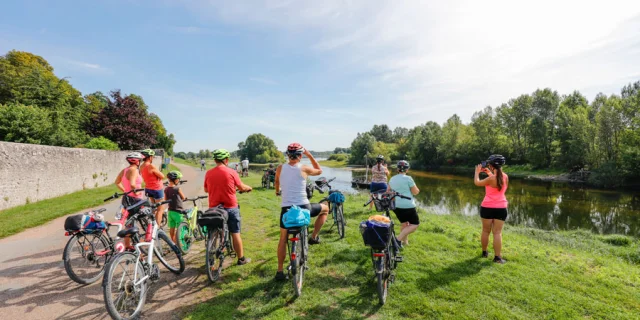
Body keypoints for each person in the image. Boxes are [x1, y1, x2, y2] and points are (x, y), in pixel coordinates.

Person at [274, 143, 329, 281]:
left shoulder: (280, 168)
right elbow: (319, 170)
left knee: (282, 239)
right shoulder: (303, 168)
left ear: (288, 155)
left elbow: (276, 181)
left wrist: (277, 191)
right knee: (325, 209)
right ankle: (314, 237)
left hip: (287, 209)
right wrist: (309, 155)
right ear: (300, 155)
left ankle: (279, 271)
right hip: (304, 207)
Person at [204, 148, 253, 266]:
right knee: (235, 232)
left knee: (214, 232)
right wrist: (249, 188)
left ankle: (210, 255)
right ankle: (241, 259)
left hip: (215, 208)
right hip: (230, 207)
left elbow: (206, 189)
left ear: (215, 160)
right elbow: (241, 187)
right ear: (226, 160)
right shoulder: (232, 172)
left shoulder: (209, 173)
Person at [474, 154, 509, 264]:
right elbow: (496, 180)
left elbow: (477, 182)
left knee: (485, 231)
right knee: (497, 233)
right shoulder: (505, 177)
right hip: (501, 208)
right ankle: (497, 258)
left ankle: (484, 252)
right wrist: (489, 172)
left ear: (491, 165)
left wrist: (477, 172)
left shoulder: (490, 179)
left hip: (487, 207)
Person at [114, 152, 144, 249]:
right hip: (135, 199)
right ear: (138, 161)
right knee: (137, 219)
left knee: (129, 221)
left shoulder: (125, 170)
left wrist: (125, 191)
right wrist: (136, 193)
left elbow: (117, 182)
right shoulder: (134, 170)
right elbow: (132, 184)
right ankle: (136, 244)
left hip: (127, 198)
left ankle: (128, 245)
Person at [387, 160, 420, 246]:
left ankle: (405, 242)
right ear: (407, 170)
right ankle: (397, 240)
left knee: (405, 224)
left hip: (396, 206)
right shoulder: (408, 178)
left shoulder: (392, 179)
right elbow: (415, 192)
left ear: (397, 169)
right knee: (414, 225)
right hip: (408, 206)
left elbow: (388, 191)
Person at [140, 149, 166, 224]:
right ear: (149, 157)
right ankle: (157, 228)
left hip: (148, 188)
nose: (153, 158)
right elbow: (162, 176)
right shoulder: (150, 165)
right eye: (152, 156)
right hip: (156, 189)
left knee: (154, 206)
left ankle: (152, 222)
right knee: (160, 209)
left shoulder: (141, 166)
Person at [165, 171, 187, 244]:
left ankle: (173, 241)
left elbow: (165, 199)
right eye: (178, 179)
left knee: (172, 227)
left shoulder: (166, 189)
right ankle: (180, 242)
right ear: (176, 180)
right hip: (178, 211)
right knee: (180, 227)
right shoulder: (177, 188)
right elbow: (183, 197)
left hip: (170, 211)